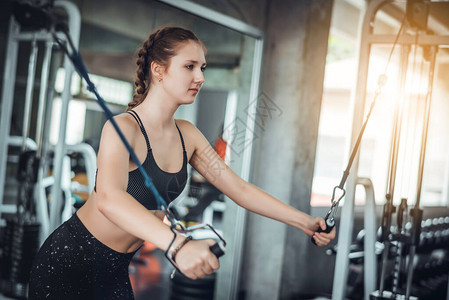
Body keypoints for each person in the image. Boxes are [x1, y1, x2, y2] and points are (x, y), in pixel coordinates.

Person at [28, 26, 336, 299]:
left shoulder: (187, 136)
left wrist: (304, 222)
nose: (200, 77)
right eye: (189, 66)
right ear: (158, 70)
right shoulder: (124, 128)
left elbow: (239, 189)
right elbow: (109, 199)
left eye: (202, 67)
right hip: (70, 261)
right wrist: (177, 245)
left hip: (114, 270)